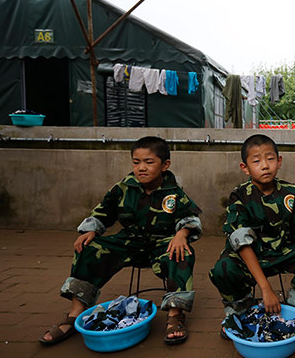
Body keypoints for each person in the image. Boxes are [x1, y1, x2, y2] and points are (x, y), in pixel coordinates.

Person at [39, 136, 202, 346]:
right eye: (136, 162)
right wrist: (91, 230)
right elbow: (102, 212)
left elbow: (190, 218)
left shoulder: (174, 192)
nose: (141, 168)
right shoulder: (124, 188)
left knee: (182, 252)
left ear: (165, 165)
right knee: (90, 247)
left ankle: (175, 315)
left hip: (163, 243)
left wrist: (182, 234)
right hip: (129, 242)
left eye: (149, 162)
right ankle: (75, 314)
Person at [209, 134, 295, 335]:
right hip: (252, 257)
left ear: (279, 161)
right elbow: (242, 243)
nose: (265, 166)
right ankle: (240, 313)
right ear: (245, 168)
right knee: (223, 268)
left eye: (270, 159)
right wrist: (266, 289)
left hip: (282, 252)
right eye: (256, 161)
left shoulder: (289, 191)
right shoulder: (239, 195)